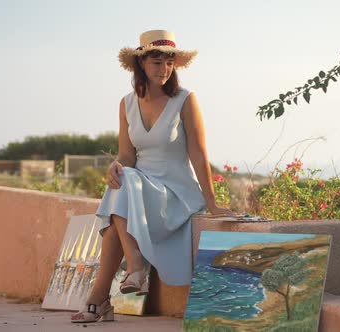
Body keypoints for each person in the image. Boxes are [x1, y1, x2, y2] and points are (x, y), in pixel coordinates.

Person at [70, 29, 236, 323]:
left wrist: (211, 203)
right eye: (156, 61)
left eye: (169, 62)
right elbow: (127, 156)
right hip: (137, 189)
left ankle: (120, 279)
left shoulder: (185, 100)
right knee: (123, 181)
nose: (164, 69)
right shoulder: (127, 103)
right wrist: (114, 165)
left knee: (120, 197)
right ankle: (114, 286)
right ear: (141, 65)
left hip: (175, 193)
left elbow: (198, 153)